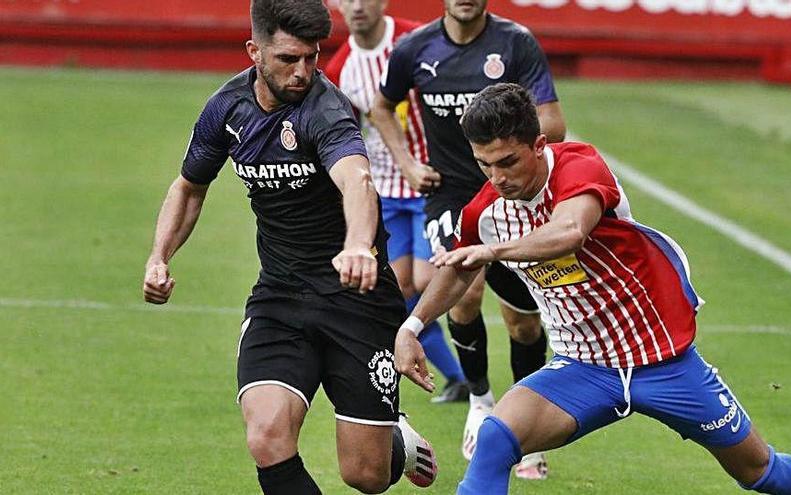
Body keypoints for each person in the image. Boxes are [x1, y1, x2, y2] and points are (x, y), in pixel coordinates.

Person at [394, 83, 791, 495]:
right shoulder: (484, 211)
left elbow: (570, 232)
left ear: (539, 145)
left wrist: (492, 252)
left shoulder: (579, 165)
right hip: (583, 367)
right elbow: (457, 271)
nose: (497, 177)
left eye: (507, 162)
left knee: (757, 470)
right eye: (484, 164)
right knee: (495, 438)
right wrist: (412, 326)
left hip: (664, 360)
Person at [141, 1, 437, 493]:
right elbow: (189, 186)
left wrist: (360, 245)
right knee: (266, 435)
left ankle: (395, 443)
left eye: (311, 57)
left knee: (364, 475)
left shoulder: (326, 108)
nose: (302, 72)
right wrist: (159, 257)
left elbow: (357, 180)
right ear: (254, 51)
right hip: (280, 296)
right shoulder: (227, 107)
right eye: (287, 59)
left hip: (356, 299)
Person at [371, 0, 566, 477]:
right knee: (464, 290)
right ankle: (480, 399)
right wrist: (408, 163)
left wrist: (513, 141)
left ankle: (528, 422)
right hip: (451, 196)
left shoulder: (515, 42)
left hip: (512, 198)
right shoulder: (414, 50)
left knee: (522, 324)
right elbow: (380, 107)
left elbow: (554, 123)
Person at [324, 0, 469, 403]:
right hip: (385, 190)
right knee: (398, 286)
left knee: (425, 279)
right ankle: (459, 377)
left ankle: (464, 371)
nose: (356, 7)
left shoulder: (415, 41)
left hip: (433, 182)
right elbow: (344, 133)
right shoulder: (340, 68)